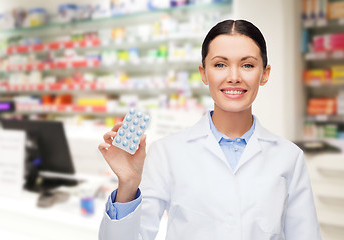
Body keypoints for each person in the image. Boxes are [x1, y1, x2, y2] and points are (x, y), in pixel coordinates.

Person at [98, 19, 321, 240]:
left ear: (264, 74)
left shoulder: (289, 157)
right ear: (204, 73)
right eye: (220, 65)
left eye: (247, 65)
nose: (234, 77)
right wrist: (127, 185)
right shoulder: (167, 153)